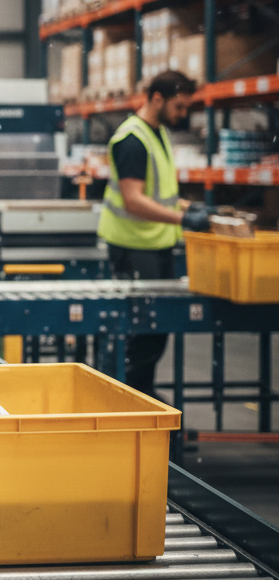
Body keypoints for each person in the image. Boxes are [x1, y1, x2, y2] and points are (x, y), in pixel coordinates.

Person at [97, 70, 211, 395]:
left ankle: (141, 393)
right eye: (179, 106)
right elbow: (134, 201)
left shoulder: (156, 133)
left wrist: (191, 209)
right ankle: (127, 398)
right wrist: (182, 220)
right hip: (133, 247)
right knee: (140, 333)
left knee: (155, 330)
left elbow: (161, 193)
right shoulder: (132, 139)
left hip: (154, 245)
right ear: (157, 98)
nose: (183, 114)